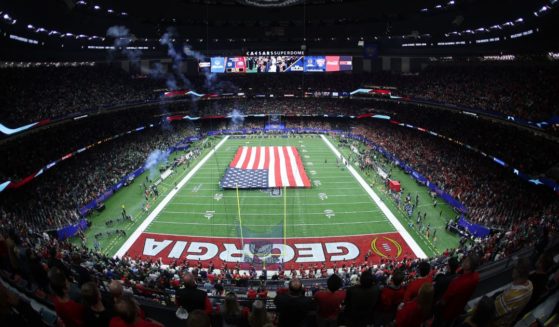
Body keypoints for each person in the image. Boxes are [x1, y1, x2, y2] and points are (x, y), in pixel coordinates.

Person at [436, 255, 480, 325]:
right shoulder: (476, 276)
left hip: (447, 311)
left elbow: (444, 301)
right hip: (458, 308)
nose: (464, 260)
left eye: (467, 261)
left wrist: (438, 304)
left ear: (469, 266)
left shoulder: (458, 282)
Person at [492, 258, 533, 326]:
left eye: (514, 268)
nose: (512, 270)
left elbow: (494, 312)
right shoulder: (530, 285)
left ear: (518, 272)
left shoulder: (510, 296)